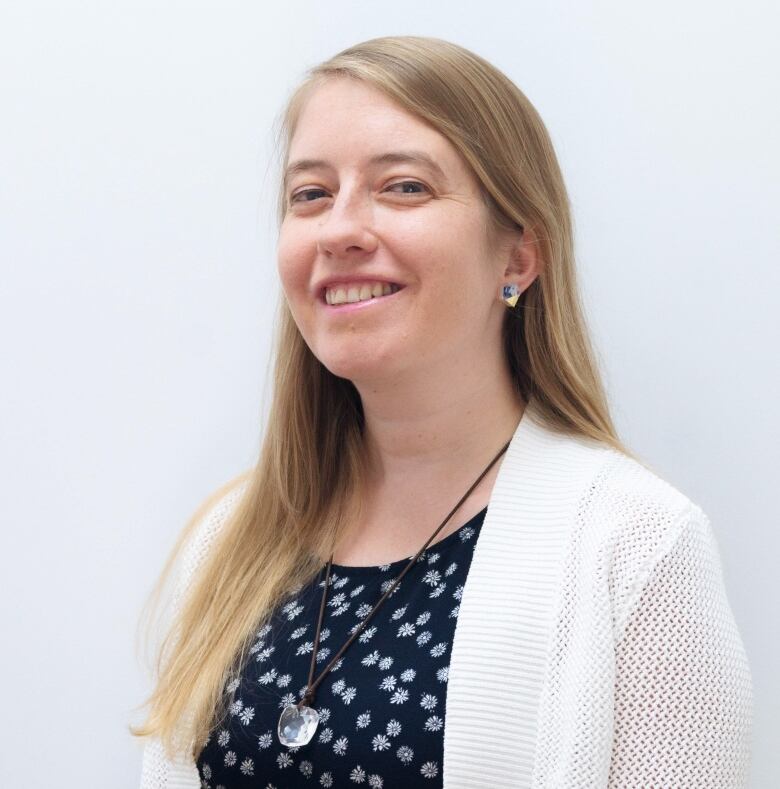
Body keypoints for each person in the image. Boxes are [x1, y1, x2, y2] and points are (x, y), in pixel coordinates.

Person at [132, 35, 753, 788]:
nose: (340, 229)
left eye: (404, 188)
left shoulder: (638, 547)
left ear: (519, 256)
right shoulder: (230, 538)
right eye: (311, 194)